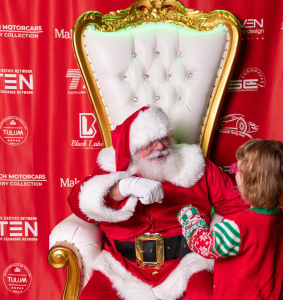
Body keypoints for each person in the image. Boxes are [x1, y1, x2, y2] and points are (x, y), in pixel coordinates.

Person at [68, 105, 248, 300]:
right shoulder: (112, 168)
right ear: (133, 148)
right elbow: (79, 204)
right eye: (150, 143)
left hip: (185, 264)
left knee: (205, 295)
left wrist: (214, 238)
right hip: (122, 267)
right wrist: (123, 187)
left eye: (164, 138)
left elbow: (238, 205)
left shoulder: (194, 165)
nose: (160, 146)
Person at [177, 139, 283, 300]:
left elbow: (205, 245)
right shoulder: (282, 223)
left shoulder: (238, 225)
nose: (234, 173)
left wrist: (189, 217)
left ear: (252, 182)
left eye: (237, 169)